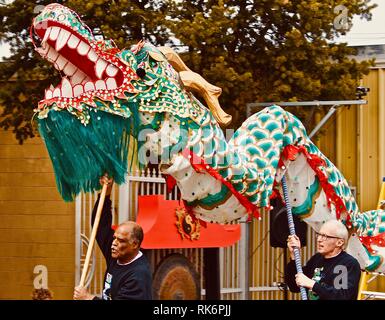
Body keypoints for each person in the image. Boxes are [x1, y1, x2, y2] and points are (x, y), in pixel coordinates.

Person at [73, 175, 152, 300]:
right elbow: (100, 226)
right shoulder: (118, 253)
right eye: (115, 238)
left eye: (121, 240)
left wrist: (88, 298)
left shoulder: (138, 275)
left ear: (134, 244)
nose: (114, 243)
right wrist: (107, 190)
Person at [285, 219, 361, 300]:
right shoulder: (316, 259)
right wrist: (293, 256)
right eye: (319, 235)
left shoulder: (346, 264)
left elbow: (340, 296)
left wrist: (312, 284)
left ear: (339, 242)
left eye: (325, 236)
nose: (319, 240)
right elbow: (294, 286)